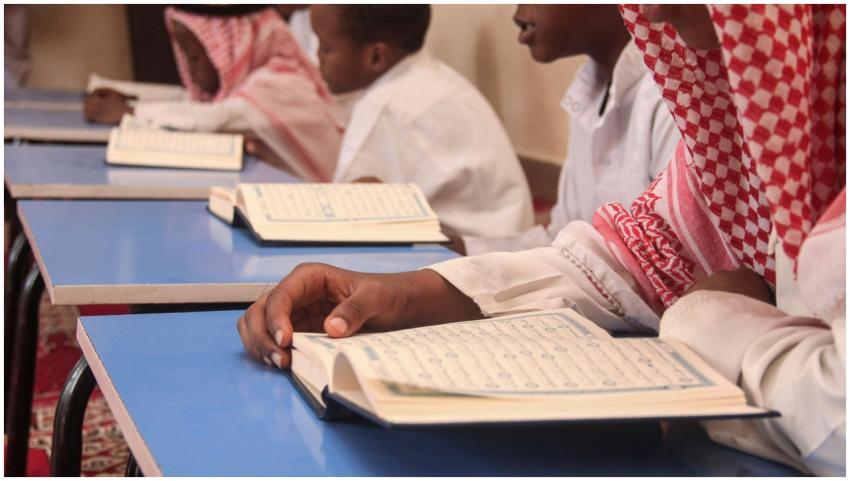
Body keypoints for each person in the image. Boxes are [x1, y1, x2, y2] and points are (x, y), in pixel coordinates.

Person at [237, 4, 845, 475]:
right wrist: (402, 294)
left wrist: (701, 317)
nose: (654, 12)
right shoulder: (739, 113)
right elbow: (624, 258)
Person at [460, 4, 680, 255]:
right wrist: (460, 251)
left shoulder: (676, 99)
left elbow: (665, 272)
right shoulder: (588, 94)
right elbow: (563, 241)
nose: (518, 14)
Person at [310, 5, 534, 237]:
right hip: (508, 244)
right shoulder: (436, 77)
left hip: (470, 256)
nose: (316, 58)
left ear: (376, 56)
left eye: (325, 47)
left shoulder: (384, 107)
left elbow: (346, 213)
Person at [84, 5, 343, 182]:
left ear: (231, 47)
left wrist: (131, 112)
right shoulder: (256, 78)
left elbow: (213, 117)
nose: (190, 67)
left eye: (195, 56)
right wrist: (131, 96)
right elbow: (188, 100)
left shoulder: (280, 84)